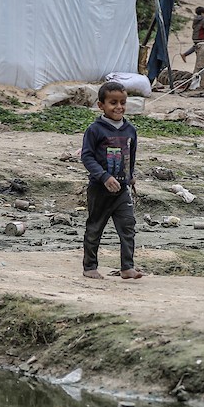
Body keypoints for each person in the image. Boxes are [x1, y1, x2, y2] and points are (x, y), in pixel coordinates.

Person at [80, 81, 142, 280]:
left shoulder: (130, 129)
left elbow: (131, 155)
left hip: (122, 190)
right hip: (100, 189)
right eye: (113, 103)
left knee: (128, 226)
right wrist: (104, 176)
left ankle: (127, 267)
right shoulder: (95, 130)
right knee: (95, 227)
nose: (119, 107)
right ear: (101, 105)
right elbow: (87, 156)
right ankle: (90, 267)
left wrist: (130, 176)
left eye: (122, 102)